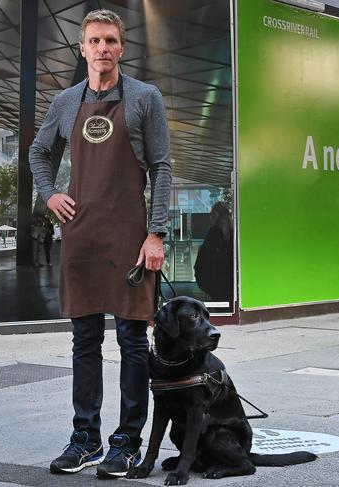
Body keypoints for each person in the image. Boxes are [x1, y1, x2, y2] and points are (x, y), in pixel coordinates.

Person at [29, 9, 171, 478]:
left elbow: (162, 168)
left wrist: (156, 233)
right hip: (82, 235)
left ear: (121, 48)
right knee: (83, 341)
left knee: (133, 340)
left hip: (130, 234)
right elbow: (38, 151)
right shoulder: (67, 101)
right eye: (95, 41)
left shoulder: (145, 97)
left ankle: (126, 442)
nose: (103, 48)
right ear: (83, 48)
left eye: (111, 40)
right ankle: (84, 439)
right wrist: (50, 194)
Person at [194, 201, 234, 303]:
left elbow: (207, 257)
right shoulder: (233, 231)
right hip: (227, 281)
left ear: (215, 215)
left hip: (215, 280)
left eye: (211, 214)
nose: (210, 217)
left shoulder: (214, 232)